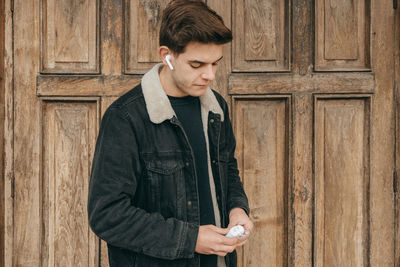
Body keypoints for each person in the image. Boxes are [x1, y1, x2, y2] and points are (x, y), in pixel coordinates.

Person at [88, 1, 253, 266]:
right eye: (197, 64)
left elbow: (227, 170)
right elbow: (107, 215)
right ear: (167, 55)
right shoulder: (126, 117)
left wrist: (237, 209)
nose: (209, 75)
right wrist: (191, 239)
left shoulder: (216, 108)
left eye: (215, 64)